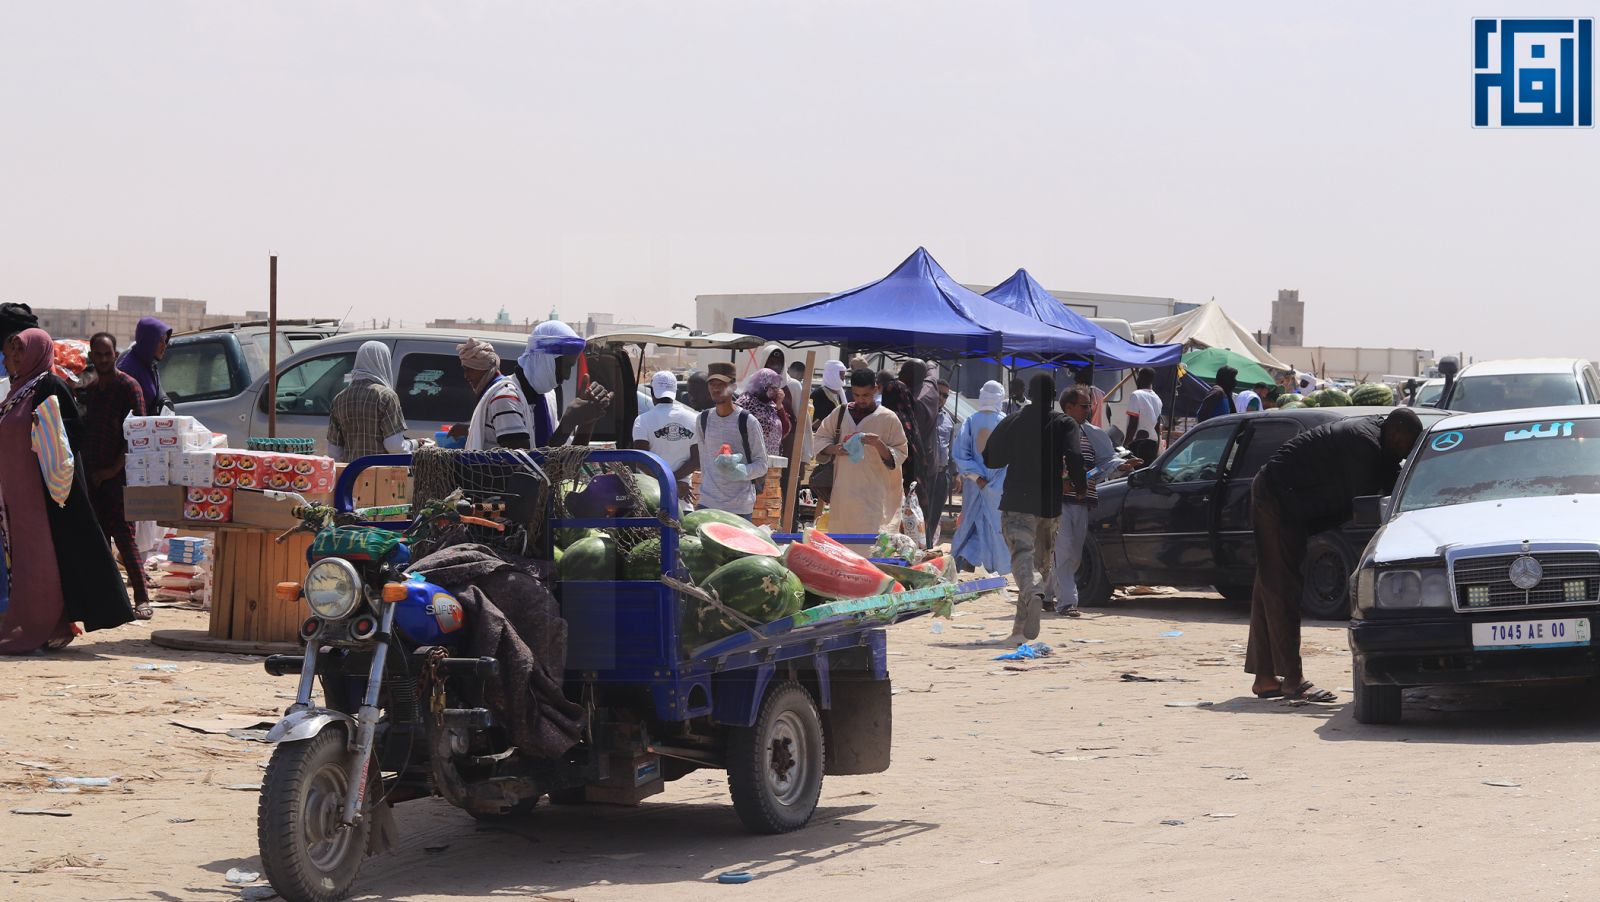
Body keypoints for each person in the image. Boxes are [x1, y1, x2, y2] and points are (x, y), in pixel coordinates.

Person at [1245, 408, 1424, 702]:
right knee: (1282, 587)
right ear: (1396, 435)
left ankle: (1265, 678)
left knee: (1270, 585)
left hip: (1291, 502)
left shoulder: (1380, 444)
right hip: (1276, 498)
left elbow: (1394, 490)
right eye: (1408, 445)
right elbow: (1368, 505)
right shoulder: (1364, 444)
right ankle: (1293, 680)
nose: (1407, 453)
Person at [0, 329, 135, 654]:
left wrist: (41, 430)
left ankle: (42, 625)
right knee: (25, 562)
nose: (14, 357)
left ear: (37, 352)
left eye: (21, 351)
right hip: (17, 495)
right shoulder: (18, 388)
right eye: (13, 351)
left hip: (44, 495)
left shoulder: (50, 385)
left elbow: (71, 434)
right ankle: (46, 624)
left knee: (42, 561)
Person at [983, 373, 1085, 644]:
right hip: (1049, 507)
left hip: (1018, 502)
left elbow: (991, 459)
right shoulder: (1065, 423)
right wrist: (1080, 486)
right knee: (1037, 566)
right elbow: (1075, 456)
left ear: (1029, 393)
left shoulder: (1013, 420)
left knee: (1023, 560)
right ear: (1054, 396)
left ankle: (1033, 594)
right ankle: (1019, 631)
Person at [79, 332, 153, 621]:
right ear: (91, 357)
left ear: (115, 355)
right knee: (99, 541)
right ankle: (109, 602)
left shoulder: (128, 386)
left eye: (107, 354)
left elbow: (137, 436)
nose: (103, 359)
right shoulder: (91, 389)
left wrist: (111, 471)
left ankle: (142, 598)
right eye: (98, 355)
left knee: (124, 538)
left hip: (119, 476)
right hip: (93, 476)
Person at [1051, 387, 1140, 617]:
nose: (1088, 410)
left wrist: (1121, 465)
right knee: (1064, 550)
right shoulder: (1053, 431)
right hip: (1058, 502)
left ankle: (1047, 591)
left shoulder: (1092, 434)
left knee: (1075, 553)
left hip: (1083, 500)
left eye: (1089, 406)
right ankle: (1067, 602)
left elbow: (1104, 463)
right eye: (1084, 406)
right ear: (1068, 407)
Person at [462, 324, 612, 451]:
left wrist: (588, 420)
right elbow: (528, 469)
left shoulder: (547, 397)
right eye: (566, 366)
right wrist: (568, 422)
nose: (566, 376)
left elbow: (564, 466)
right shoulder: (506, 397)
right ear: (545, 360)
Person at [813, 369, 908, 546]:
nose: (860, 400)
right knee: (841, 545)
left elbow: (901, 452)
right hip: (843, 493)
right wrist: (834, 449)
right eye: (856, 395)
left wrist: (878, 444)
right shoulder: (840, 413)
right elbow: (819, 439)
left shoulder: (888, 418)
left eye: (865, 395)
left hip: (874, 494)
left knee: (870, 545)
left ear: (875, 389)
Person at [693, 362, 770, 518]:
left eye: (721, 384)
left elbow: (762, 465)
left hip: (739, 508)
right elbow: (704, 462)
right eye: (712, 384)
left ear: (733, 387)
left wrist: (741, 471)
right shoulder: (703, 419)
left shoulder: (748, 422)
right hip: (708, 503)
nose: (715, 389)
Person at [327, 341, 421, 462]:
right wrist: (415, 444)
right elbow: (394, 446)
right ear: (384, 362)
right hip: (381, 471)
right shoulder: (386, 396)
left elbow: (334, 452)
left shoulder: (339, 399)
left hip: (351, 472)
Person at [951, 381, 1009, 574]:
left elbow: (961, 454)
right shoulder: (1005, 422)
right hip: (997, 486)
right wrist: (993, 482)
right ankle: (992, 564)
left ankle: (966, 558)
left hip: (974, 484)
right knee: (993, 525)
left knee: (972, 521)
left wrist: (977, 477)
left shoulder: (970, 421)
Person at [633, 370, 700, 508]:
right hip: (682, 498)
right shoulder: (693, 419)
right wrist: (673, 484)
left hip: (652, 500)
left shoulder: (642, 420)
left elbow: (641, 460)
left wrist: (666, 482)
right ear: (675, 391)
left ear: (652, 392)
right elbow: (696, 460)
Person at [899, 359, 944, 547]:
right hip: (930, 463)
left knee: (910, 515)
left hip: (913, 466)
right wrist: (930, 362)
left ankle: (914, 549)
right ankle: (925, 548)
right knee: (925, 514)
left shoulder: (911, 401)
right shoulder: (931, 391)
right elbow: (932, 371)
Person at [118, 316, 172, 415]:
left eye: (165, 341)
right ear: (148, 341)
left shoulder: (150, 363)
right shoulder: (127, 369)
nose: (164, 346)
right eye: (160, 341)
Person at [736, 367, 790, 456]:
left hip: (770, 459)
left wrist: (779, 406)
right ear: (761, 385)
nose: (775, 392)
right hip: (751, 458)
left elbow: (785, 429)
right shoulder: (746, 402)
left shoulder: (771, 405)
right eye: (772, 388)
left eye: (777, 388)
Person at [1124, 367, 1162, 443]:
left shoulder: (1136, 395)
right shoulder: (1157, 398)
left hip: (1138, 442)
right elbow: (1157, 427)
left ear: (1140, 379)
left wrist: (1126, 444)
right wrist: (1157, 445)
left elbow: (1133, 425)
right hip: (1153, 442)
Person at [811, 359, 848, 426]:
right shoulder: (818, 395)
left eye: (843, 374)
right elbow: (813, 421)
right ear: (832, 375)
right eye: (841, 374)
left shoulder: (841, 393)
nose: (843, 378)